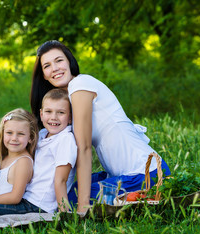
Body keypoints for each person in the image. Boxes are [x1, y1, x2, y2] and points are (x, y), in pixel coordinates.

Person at [30, 40, 171, 212]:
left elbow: (84, 147)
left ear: (69, 62)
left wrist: (83, 208)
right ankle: (131, 197)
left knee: (72, 197)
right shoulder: (66, 103)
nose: (55, 68)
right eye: (47, 65)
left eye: (59, 60)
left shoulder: (81, 84)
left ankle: (146, 196)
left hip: (145, 173)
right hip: (123, 174)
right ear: (44, 75)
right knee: (69, 189)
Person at [23, 88, 77, 213]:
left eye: (61, 113)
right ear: (41, 115)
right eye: (48, 111)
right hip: (27, 196)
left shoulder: (65, 139)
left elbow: (61, 180)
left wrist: (64, 214)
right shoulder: (42, 134)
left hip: (40, 205)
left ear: (70, 118)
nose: (54, 117)